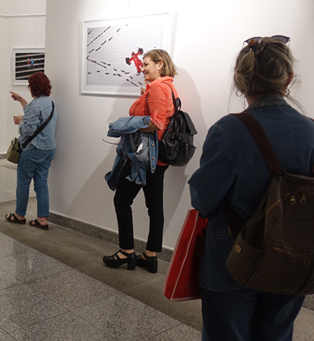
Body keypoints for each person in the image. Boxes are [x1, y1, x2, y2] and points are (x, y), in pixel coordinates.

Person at [188, 36, 313, 340]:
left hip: (233, 257)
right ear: (289, 79)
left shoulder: (228, 131)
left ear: (240, 82)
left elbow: (203, 200)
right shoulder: (311, 131)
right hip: (293, 257)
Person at [102, 49, 178, 273]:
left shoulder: (157, 88)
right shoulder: (168, 86)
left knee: (121, 201)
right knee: (155, 207)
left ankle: (126, 251)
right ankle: (150, 256)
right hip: (159, 160)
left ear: (160, 65)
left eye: (146, 64)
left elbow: (156, 123)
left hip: (144, 159)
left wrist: (127, 125)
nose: (142, 68)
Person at [4, 72, 57, 230]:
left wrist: (20, 122)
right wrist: (21, 101)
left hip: (33, 150)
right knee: (41, 184)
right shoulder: (50, 103)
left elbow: (28, 129)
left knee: (23, 183)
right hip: (49, 150)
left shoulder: (35, 105)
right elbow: (37, 115)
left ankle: (19, 215)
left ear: (33, 87)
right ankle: (42, 219)